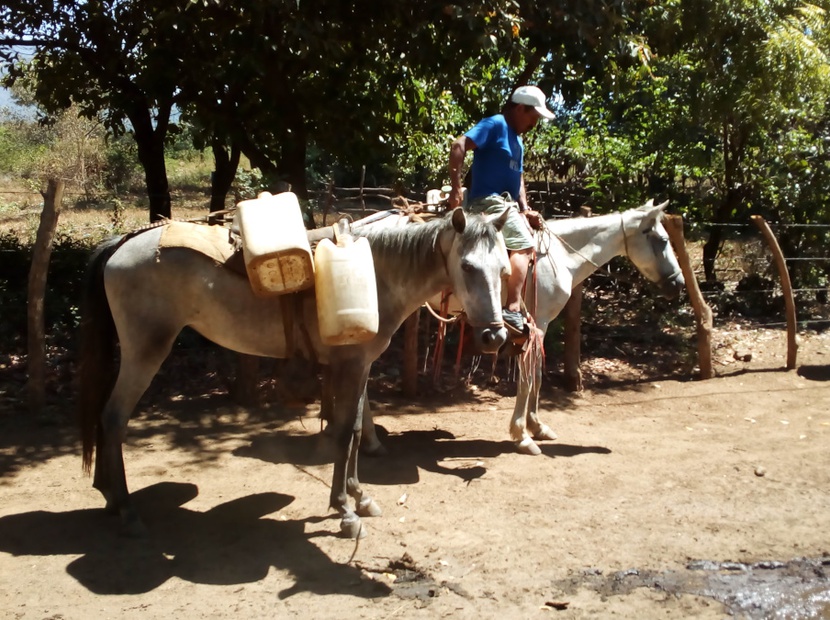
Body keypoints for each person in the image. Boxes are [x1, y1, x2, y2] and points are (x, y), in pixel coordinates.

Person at [447, 84, 554, 335]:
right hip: (487, 202)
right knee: (526, 246)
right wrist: (456, 188)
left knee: (528, 233)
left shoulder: (518, 140)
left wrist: (525, 209)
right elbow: (458, 145)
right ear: (519, 108)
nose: (534, 123)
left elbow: (518, 178)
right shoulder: (495, 125)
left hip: (507, 204)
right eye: (533, 116)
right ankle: (512, 309)